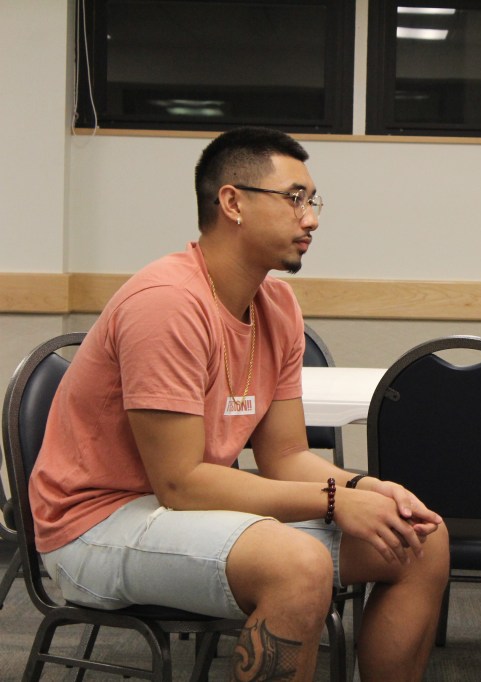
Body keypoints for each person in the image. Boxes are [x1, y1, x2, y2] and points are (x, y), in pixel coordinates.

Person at [29, 127, 450, 682]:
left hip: (183, 511)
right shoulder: (167, 303)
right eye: (295, 198)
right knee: (296, 565)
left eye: (313, 201)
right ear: (233, 202)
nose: (311, 219)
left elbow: (286, 456)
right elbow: (180, 484)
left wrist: (363, 489)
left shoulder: (277, 305)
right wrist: (333, 502)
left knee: (419, 539)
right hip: (94, 525)